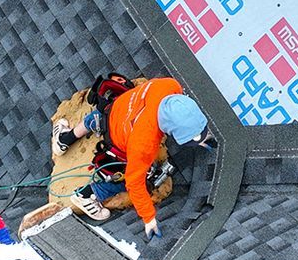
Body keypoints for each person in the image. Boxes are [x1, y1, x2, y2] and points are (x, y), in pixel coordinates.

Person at [53, 75, 214, 237]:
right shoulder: (144, 143)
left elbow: (184, 115)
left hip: (115, 109)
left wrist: (201, 135)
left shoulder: (170, 85)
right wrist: (149, 218)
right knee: (145, 178)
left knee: (97, 118)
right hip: (117, 139)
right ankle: (87, 194)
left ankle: (64, 138)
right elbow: (134, 183)